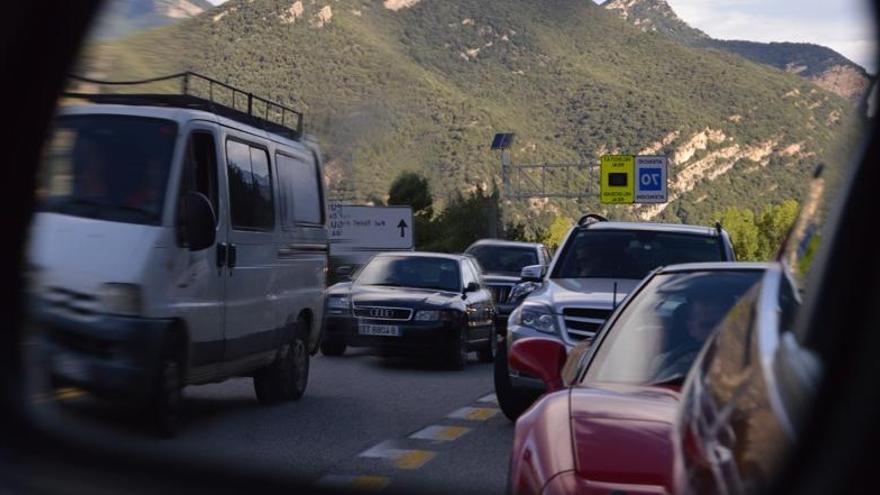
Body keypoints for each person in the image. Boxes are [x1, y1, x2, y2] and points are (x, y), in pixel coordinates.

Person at [649, 294, 732, 381]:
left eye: (723, 325)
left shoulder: (744, 363)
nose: (716, 333)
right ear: (691, 328)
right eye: (707, 326)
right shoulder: (665, 365)